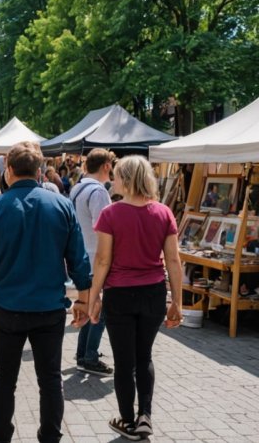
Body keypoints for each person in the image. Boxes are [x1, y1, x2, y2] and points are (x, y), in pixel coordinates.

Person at [0, 142, 91, 443]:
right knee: (50, 379)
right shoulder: (61, 205)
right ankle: (50, 437)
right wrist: (85, 299)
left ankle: (2, 436)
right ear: (39, 172)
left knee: (5, 379)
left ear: (8, 171)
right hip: (49, 307)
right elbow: (79, 257)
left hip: (8, 307)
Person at [85, 155, 182, 441]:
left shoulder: (111, 214)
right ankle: (145, 417)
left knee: (124, 361)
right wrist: (177, 300)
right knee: (144, 357)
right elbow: (173, 261)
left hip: (120, 294)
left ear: (126, 180)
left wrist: (94, 297)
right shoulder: (164, 213)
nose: (113, 180)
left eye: (116, 175)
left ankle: (128, 420)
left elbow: (103, 260)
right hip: (153, 292)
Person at [70, 149, 115, 376]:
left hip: (81, 255)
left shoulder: (77, 187)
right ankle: (89, 355)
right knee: (99, 308)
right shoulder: (98, 192)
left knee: (89, 304)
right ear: (106, 166)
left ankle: (83, 353)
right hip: (96, 256)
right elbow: (104, 227)